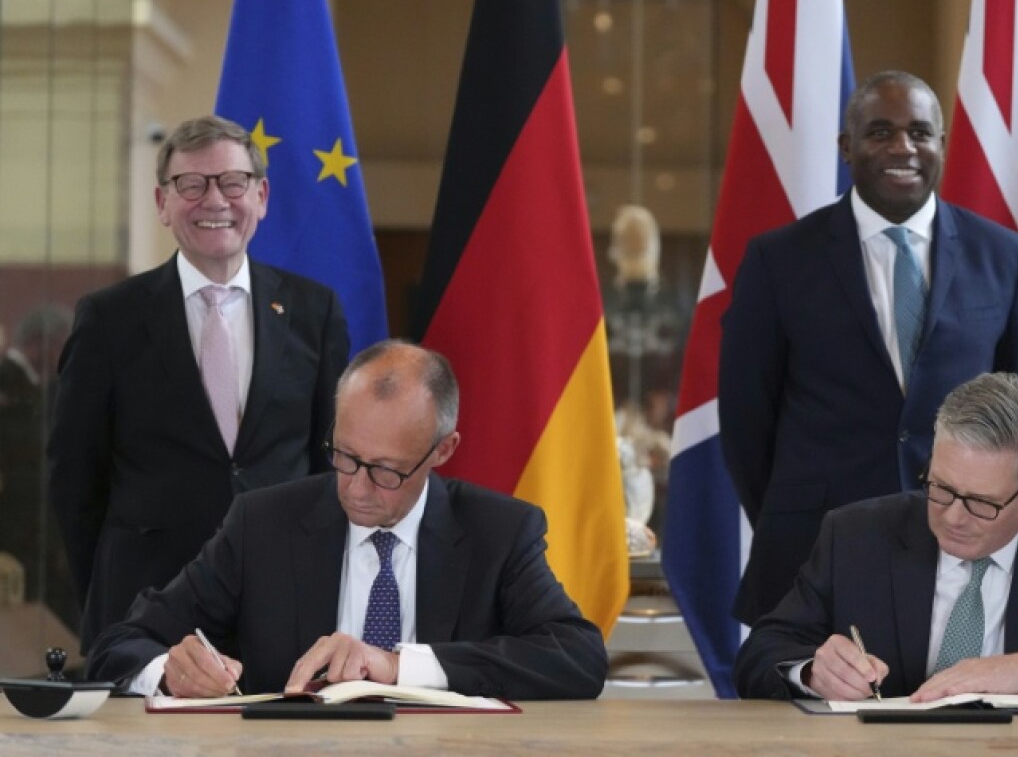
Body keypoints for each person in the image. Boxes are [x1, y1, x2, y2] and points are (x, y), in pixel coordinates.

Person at [85, 340, 608, 700]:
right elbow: (121, 645)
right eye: (345, 456)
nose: (356, 489)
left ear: (443, 450)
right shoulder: (262, 523)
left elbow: (578, 657)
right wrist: (168, 672)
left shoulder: (499, 532)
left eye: (385, 471)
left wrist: (397, 666)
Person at [720, 70, 1018, 625]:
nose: (903, 148)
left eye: (919, 133)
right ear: (846, 147)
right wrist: (791, 508)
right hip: (811, 553)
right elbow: (745, 422)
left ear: (940, 145)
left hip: (965, 549)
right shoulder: (777, 260)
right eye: (880, 132)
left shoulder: (1006, 259)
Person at [48, 115, 350, 653]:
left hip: (283, 602)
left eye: (233, 182)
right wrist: (103, 594)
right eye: (191, 184)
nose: (214, 200)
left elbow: (329, 463)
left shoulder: (314, 311)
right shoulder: (108, 319)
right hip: (143, 608)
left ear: (261, 196)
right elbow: (74, 477)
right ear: (162, 202)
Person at [735, 373, 1018, 704]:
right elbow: (762, 651)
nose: (953, 517)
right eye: (941, 488)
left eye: (982, 502)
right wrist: (812, 672)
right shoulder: (857, 535)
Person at [0, 305, 77, 629]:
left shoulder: (39, 392)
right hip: (18, 541)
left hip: (38, 542)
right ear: (41, 342)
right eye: (63, 345)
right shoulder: (9, 383)